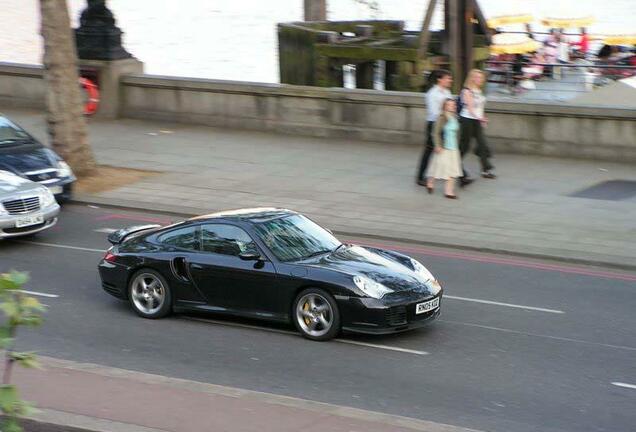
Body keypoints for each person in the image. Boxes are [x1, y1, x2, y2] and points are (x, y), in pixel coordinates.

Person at [416, 69, 452, 186]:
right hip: (434, 125)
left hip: (446, 123)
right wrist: (446, 115)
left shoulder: (447, 92)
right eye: (447, 78)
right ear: (439, 79)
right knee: (429, 151)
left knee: (450, 148)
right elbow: (433, 112)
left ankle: (460, 176)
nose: (450, 80)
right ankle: (420, 177)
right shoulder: (432, 93)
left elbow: (451, 107)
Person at [459, 69, 496, 180]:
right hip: (467, 120)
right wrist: (480, 118)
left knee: (482, 145)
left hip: (476, 120)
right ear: (472, 79)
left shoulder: (478, 91)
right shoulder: (467, 91)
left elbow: (480, 107)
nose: (482, 80)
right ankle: (453, 165)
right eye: (479, 77)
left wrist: (483, 117)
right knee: (464, 147)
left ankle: (485, 170)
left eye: (482, 77)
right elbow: (470, 109)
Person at [425, 98, 462, 199]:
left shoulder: (455, 117)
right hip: (444, 147)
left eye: (453, 105)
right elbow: (435, 133)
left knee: (453, 169)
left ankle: (449, 191)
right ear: (445, 106)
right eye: (450, 105)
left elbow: (457, 133)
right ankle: (430, 181)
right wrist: (437, 145)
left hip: (454, 148)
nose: (453, 106)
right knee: (438, 166)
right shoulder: (441, 117)